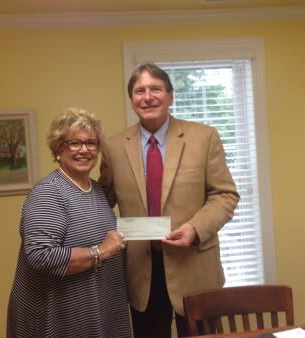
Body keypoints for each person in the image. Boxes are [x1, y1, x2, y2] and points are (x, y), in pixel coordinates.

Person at [99, 64, 240, 338]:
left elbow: (225, 195)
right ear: (131, 100)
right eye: (140, 91)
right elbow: (102, 202)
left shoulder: (204, 137)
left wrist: (195, 229)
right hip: (142, 275)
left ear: (171, 96)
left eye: (156, 89)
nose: (147, 96)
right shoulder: (113, 147)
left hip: (195, 267)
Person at [7, 107, 131, 338]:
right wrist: (101, 252)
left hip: (98, 310)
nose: (84, 150)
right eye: (74, 143)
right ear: (58, 148)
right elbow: (41, 255)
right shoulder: (48, 193)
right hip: (59, 317)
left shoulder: (96, 190)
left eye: (91, 143)